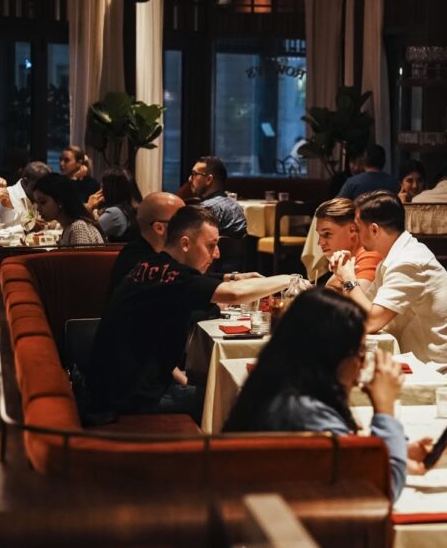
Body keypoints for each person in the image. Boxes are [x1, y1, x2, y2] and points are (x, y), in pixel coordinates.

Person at [86, 205, 296, 423]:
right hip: (126, 402)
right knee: (238, 399)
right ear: (185, 243)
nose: (217, 254)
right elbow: (232, 295)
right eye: (211, 245)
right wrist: (290, 279)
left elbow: (149, 348)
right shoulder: (173, 278)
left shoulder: (153, 266)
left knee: (217, 389)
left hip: (114, 391)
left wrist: (183, 380)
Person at [223, 287, 433, 500]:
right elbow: (380, 492)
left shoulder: (277, 385)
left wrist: (394, 451)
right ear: (331, 354)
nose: (361, 366)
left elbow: (340, 464)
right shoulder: (305, 412)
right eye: (359, 352)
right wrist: (384, 408)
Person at [333, 190, 447, 388]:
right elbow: (362, 311)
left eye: (358, 228)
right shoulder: (395, 257)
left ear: (374, 229)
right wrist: (342, 277)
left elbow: (371, 322)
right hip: (417, 369)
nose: (356, 234)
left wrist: (348, 279)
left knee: (346, 387)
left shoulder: (408, 262)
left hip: (440, 380)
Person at [108, 191, 185, 295]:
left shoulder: (139, 251)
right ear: (159, 228)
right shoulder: (144, 263)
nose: (188, 228)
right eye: (182, 222)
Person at [315, 197, 383, 294]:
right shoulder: (349, 257)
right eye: (320, 235)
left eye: (327, 234)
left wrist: (346, 278)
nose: (320, 243)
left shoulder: (369, 253)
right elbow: (331, 289)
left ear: (352, 229)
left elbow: (359, 299)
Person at [32, 173, 105, 246]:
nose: (38, 209)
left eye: (42, 202)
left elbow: (81, 253)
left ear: (59, 201)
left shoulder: (78, 227)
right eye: (37, 203)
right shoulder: (69, 226)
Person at [187, 156, 247, 237]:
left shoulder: (205, 209)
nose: (189, 179)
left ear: (209, 179)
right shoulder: (236, 206)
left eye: (194, 174)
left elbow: (190, 240)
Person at [90, 167, 141, 242]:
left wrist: (89, 208)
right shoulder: (132, 209)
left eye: (103, 186)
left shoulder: (115, 213)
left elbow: (89, 235)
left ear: (109, 189)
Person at [0, 160, 52, 230]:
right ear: (26, 181)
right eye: (39, 186)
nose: (44, 192)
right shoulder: (6, 195)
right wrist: (28, 227)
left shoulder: (35, 197)